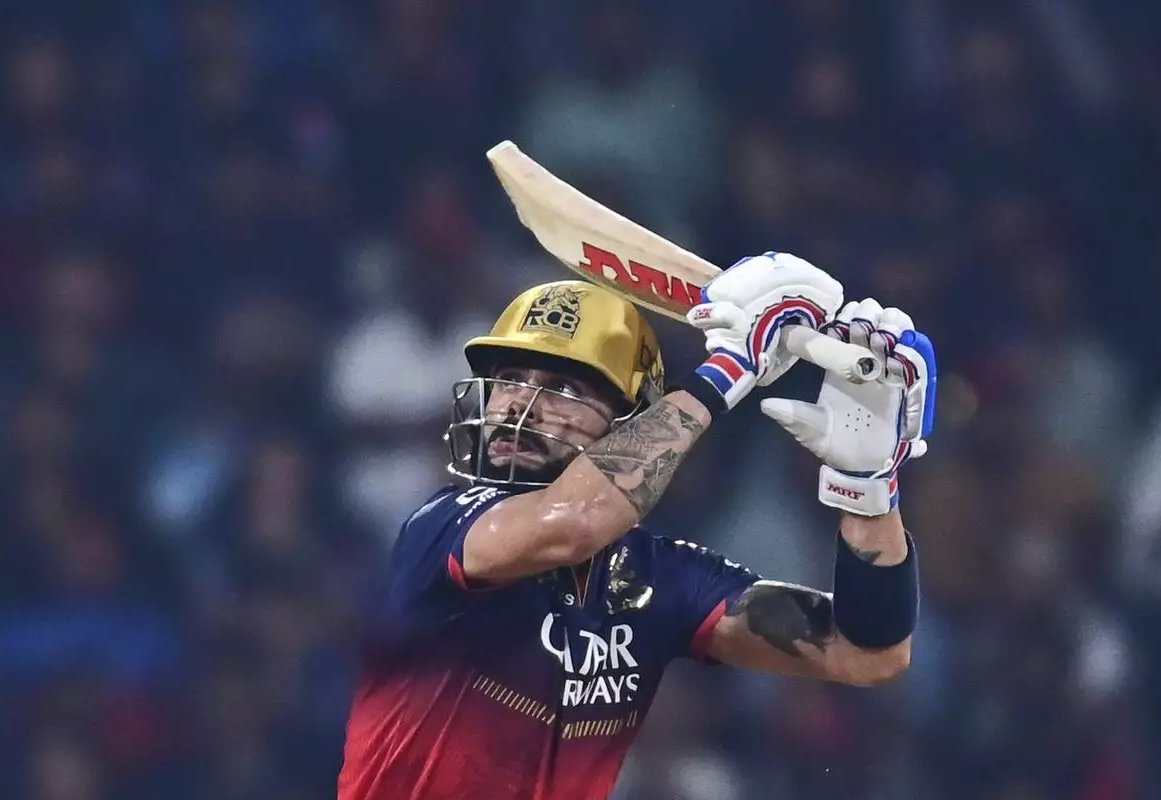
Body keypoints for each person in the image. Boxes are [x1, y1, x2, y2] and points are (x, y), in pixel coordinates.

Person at [337, 252, 938, 800]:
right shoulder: (446, 524)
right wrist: (727, 368)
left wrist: (867, 489)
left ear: (632, 423)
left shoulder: (659, 579)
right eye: (510, 381)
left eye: (562, 388)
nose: (519, 403)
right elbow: (576, 521)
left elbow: (868, 652)